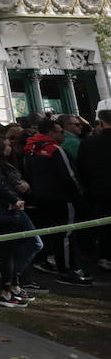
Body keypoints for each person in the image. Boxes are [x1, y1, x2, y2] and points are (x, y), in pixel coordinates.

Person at [0, 134, 39, 307]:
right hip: (2, 214)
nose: (9, 148)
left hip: (2, 212)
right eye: (6, 145)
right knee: (7, 253)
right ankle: (6, 291)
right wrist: (13, 199)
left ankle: (13, 286)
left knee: (11, 251)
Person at [23, 118, 90, 285]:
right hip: (62, 197)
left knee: (53, 232)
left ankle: (55, 262)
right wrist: (80, 194)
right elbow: (70, 176)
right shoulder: (55, 149)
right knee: (66, 234)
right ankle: (67, 270)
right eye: (60, 131)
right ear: (51, 132)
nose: (63, 135)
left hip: (42, 197)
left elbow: (28, 172)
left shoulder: (30, 148)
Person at [77, 109, 111, 271]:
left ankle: (106, 256)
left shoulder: (89, 143)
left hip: (99, 191)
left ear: (101, 123)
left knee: (104, 225)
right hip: (99, 190)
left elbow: (81, 168)